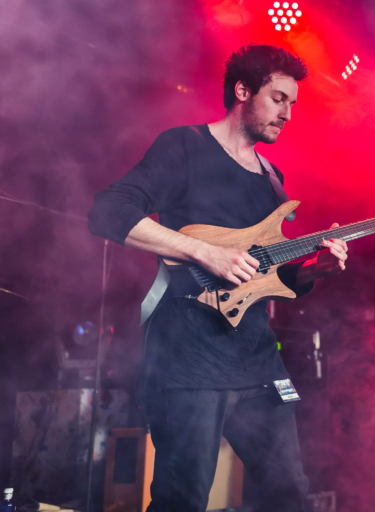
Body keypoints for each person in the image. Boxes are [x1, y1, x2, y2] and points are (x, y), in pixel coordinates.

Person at [88, 44, 348, 512]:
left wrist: (315, 269)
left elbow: (269, 273)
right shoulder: (184, 145)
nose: (288, 113)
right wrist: (206, 252)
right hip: (188, 360)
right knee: (182, 499)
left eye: (293, 103)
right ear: (243, 91)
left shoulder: (272, 176)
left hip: (255, 360)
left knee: (289, 494)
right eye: (278, 98)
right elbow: (109, 211)